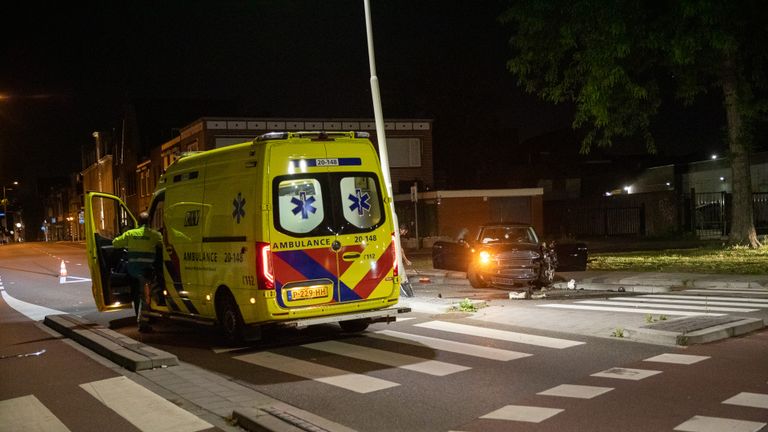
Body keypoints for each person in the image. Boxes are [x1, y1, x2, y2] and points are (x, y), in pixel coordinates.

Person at [112, 212, 163, 331]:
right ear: (149, 222)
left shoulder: (130, 234)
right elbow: (164, 245)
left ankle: (145, 315)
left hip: (132, 270)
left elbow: (115, 243)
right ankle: (143, 323)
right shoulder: (155, 235)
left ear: (138, 222)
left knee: (139, 294)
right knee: (146, 296)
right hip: (146, 271)